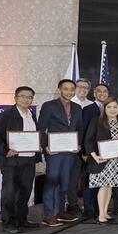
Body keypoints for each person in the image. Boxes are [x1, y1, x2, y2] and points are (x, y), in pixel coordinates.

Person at [0, 86, 42, 233]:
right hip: (12, 161)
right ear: (16, 98)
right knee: (10, 192)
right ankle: (8, 223)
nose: (26, 99)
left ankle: (21, 219)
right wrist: (6, 150)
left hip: (29, 159)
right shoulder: (6, 115)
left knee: (25, 191)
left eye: (30, 97)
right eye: (23, 96)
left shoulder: (31, 115)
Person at [37, 79, 82, 226]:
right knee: (52, 182)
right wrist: (45, 147)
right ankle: (49, 214)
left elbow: (79, 129)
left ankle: (60, 211)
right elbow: (41, 129)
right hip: (54, 152)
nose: (69, 92)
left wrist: (79, 144)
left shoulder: (77, 107)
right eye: (66, 89)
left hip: (70, 151)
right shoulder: (49, 106)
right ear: (59, 90)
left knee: (65, 182)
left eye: (71, 89)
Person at [85, 97, 118, 224]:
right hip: (102, 161)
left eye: (115, 107)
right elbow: (88, 141)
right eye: (109, 107)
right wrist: (94, 156)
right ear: (104, 109)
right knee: (103, 186)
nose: (112, 110)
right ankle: (101, 214)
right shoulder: (97, 121)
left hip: (117, 162)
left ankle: (105, 212)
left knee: (110, 187)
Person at [80, 83, 109, 218]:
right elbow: (84, 132)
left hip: (107, 153)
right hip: (91, 152)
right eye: (99, 92)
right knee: (89, 180)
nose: (102, 94)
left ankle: (100, 208)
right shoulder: (88, 109)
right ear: (94, 94)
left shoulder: (111, 109)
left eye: (105, 91)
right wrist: (85, 153)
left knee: (102, 181)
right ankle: (89, 208)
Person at [68, 78, 94, 216]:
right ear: (75, 88)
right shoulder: (69, 104)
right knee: (73, 178)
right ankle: (72, 205)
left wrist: (87, 150)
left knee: (88, 178)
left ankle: (89, 206)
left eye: (86, 88)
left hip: (88, 149)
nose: (83, 89)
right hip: (72, 148)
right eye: (80, 87)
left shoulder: (93, 106)